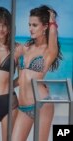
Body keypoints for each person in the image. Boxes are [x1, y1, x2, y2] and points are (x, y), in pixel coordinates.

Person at [12, 5, 62, 141]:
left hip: (42, 104)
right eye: (29, 25)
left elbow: (53, 34)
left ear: (45, 26)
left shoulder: (49, 51)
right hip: (23, 107)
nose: (30, 28)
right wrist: (9, 85)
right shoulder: (26, 48)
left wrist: (52, 21)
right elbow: (23, 77)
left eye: (34, 25)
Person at [0, 7, 19, 141]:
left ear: (9, 26)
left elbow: (24, 76)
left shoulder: (17, 49)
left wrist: (11, 84)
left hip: (9, 103)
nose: (1, 29)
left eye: (4, 25)